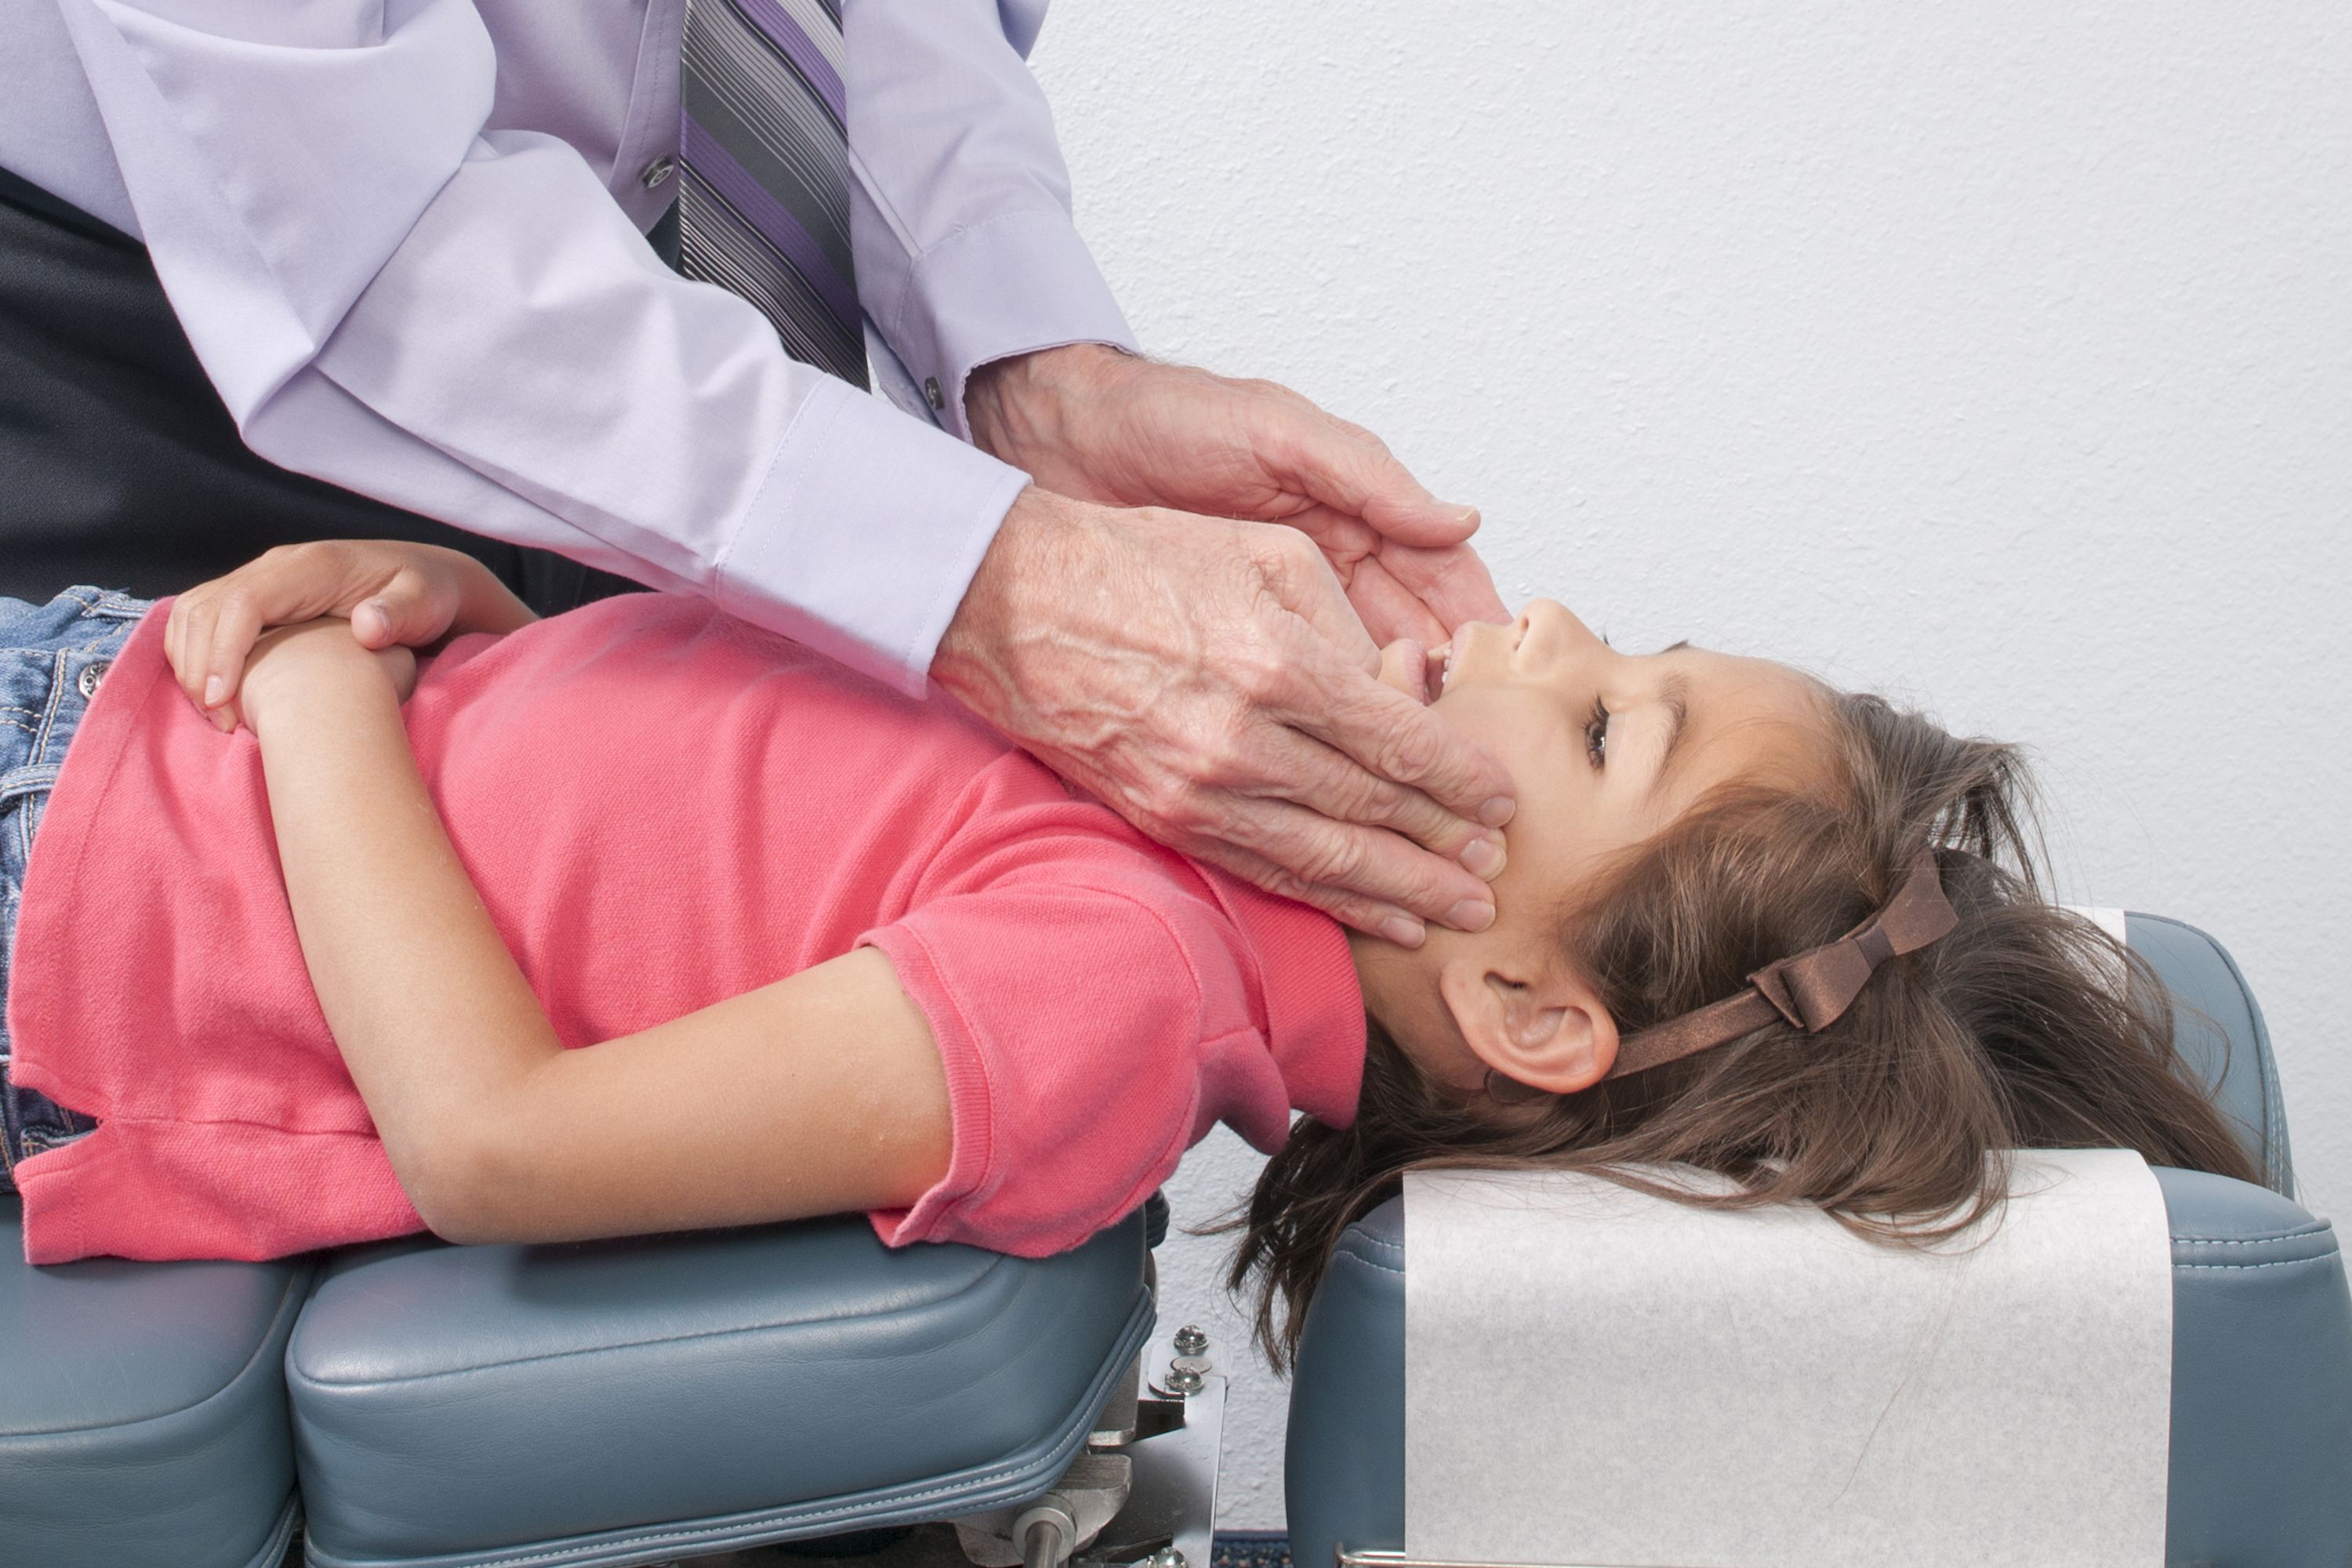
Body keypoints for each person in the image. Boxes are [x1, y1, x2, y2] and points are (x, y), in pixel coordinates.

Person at [1, 546, 2252, 1338]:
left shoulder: (1115, 996)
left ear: (1526, 1011)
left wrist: (323, 699)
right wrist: (477, 647)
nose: (1542, 621)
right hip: (142, 733)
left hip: (87, 881)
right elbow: (706, 826)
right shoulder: (1183, 795)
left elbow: (495, 1139)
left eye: (1601, 719)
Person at [0, 0, 1517, 953]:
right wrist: (990, 577)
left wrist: (1029, 362)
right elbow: (350, 215)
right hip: (138, 329)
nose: (1556, 635)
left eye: (1609, 719)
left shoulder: (1086, 950)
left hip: (630, 376)